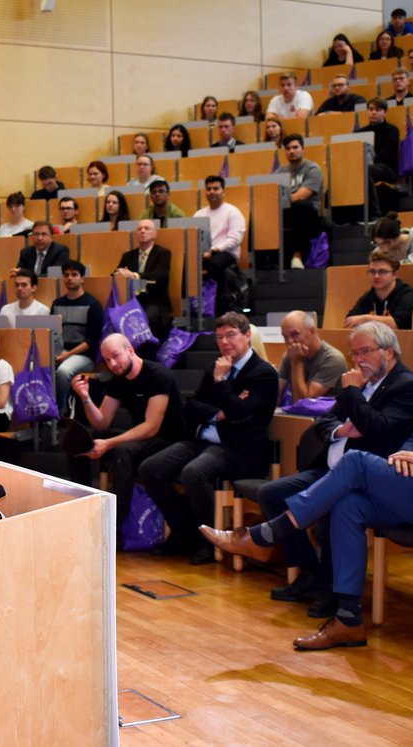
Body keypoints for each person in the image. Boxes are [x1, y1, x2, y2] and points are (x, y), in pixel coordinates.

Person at [202, 301, 413, 650]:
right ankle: (348, 620)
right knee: (349, 504)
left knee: (358, 462)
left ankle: (268, 534)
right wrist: (404, 457)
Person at [259, 322, 413, 618]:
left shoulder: (407, 386)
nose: (359, 359)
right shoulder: (358, 381)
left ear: (389, 352)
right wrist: (341, 431)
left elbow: (380, 431)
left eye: (365, 351)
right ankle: (312, 572)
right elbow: (323, 422)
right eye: (355, 353)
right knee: (271, 494)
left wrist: (353, 394)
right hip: (329, 468)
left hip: (365, 477)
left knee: (331, 507)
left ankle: (332, 590)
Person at [139, 312, 278, 564]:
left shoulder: (263, 373)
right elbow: (191, 406)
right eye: (219, 337)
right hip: (202, 439)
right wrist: (219, 411)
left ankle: (208, 539)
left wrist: (222, 384)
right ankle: (185, 532)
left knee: (193, 473)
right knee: (151, 468)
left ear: (247, 335)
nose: (224, 342)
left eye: (231, 335)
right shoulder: (216, 367)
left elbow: (240, 414)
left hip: (235, 448)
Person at [71, 333, 185, 537]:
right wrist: (85, 398)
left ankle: (115, 529)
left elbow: (152, 427)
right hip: (142, 440)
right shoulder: (119, 381)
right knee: (79, 443)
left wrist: (109, 443)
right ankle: (81, 511)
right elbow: (101, 423)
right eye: (107, 360)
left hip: (170, 440)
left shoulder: (158, 375)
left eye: (116, 356)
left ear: (130, 350)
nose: (112, 364)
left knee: (123, 451)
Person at [51, 260, 104, 411]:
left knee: (63, 372)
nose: (69, 278)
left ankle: (58, 411)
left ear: (82, 278)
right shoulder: (57, 304)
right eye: (66, 275)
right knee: (33, 367)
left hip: (84, 356)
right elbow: (51, 333)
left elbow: (91, 341)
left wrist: (67, 355)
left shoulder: (93, 305)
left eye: (74, 274)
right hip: (59, 352)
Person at [194, 176, 245, 314]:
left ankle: (219, 305)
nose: (212, 192)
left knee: (215, 264)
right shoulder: (199, 214)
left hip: (226, 254)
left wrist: (214, 250)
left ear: (223, 191)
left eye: (216, 188)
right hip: (203, 254)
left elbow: (235, 239)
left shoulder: (232, 212)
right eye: (209, 189)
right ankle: (192, 307)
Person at [114, 218, 172, 339]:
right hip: (131, 300)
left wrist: (135, 275)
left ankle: (148, 351)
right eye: (139, 229)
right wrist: (119, 273)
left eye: (147, 228)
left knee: (145, 316)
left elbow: (160, 276)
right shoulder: (128, 255)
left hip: (154, 301)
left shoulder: (163, 253)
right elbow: (117, 272)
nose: (142, 231)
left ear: (155, 234)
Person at [277, 310, 346, 404]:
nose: (290, 341)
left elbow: (302, 401)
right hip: (296, 415)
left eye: (295, 334)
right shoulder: (290, 355)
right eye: (285, 336)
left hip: (323, 416)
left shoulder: (333, 359)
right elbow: (275, 393)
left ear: (312, 331)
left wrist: (297, 362)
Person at [281, 134, 325, 269]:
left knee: (301, 206)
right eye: (288, 148)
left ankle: (297, 256)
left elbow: (301, 195)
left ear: (303, 149)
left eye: (295, 147)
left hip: (309, 213)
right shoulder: (280, 172)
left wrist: (282, 200)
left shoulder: (313, 169)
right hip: (286, 210)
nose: (292, 151)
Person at [344, 250, 413, 330]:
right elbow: (350, 321)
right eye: (372, 271)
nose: (376, 276)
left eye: (382, 271)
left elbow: (398, 324)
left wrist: (366, 319)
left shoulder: (408, 295)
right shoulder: (368, 296)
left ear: (395, 275)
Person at [359, 98, 401, 216]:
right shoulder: (360, 132)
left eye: (377, 109)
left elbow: (387, 153)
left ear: (385, 112)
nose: (373, 112)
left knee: (364, 170)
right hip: (366, 167)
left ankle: (374, 212)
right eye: (371, 109)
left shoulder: (392, 130)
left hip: (386, 169)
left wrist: (371, 161)